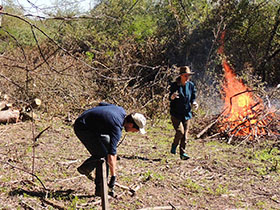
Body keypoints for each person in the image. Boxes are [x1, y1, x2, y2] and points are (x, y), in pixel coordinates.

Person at [73, 102, 146, 196]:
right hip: (82, 127)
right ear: (131, 125)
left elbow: (102, 104)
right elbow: (111, 154)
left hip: (91, 124)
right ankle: (86, 170)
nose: (135, 132)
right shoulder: (116, 128)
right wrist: (113, 176)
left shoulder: (120, 110)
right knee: (103, 156)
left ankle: (101, 187)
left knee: (105, 152)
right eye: (137, 130)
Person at [169, 66, 198, 160]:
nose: (187, 77)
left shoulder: (191, 85)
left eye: (188, 75)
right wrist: (172, 96)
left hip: (186, 113)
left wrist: (194, 102)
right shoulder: (175, 85)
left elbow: (193, 96)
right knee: (179, 132)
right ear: (181, 75)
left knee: (185, 136)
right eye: (186, 75)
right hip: (176, 114)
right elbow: (170, 96)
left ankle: (183, 153)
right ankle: (174, 145)